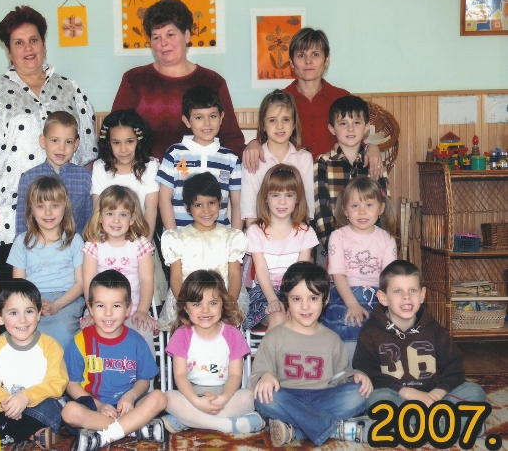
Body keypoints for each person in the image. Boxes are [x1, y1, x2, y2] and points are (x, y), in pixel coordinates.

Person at [0, 5, 96, 291]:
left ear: (44, 45)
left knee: (66, 293)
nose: (28, 48)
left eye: (33, 40)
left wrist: (84, 206)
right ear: (9, 51)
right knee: (15, 297)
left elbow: (86, 154)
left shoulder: (69, 89)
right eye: (18, 43)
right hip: (10, 212)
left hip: (64, 215)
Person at [353, 260, 487, 436]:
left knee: (475, 392)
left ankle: (414, 428)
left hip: (433, 399)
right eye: (398, 291)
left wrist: (437, 394)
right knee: (377, 399)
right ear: (383, 297)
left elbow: (455, 369)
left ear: (422, 295)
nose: (406, 297)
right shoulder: (371, 331)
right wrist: (408, 393)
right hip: (398, 398)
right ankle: (448, 426)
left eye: (413, 290)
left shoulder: (434, 329)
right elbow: (367, 372)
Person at [248, 262, 373, 447]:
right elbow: (254, 379)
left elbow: (340, 376)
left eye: (313, 298)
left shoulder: (332, 339)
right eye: (297, 299)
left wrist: (355, 375)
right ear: (286, 300)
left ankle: (295, 430)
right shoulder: (274, 336)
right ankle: (333, 428)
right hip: (287, 396)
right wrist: (265, 376)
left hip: (323, 397)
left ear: (325, 299)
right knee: (264, 398)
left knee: (360, 393)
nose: (305, 306)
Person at [112, 0, 244, 161]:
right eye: (156, 37)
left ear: (186, 35)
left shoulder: (213, 81)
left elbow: (232, 139)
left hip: (201, 172)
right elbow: (114, 132)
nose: (163, 43)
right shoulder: (134, 80)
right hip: (145, 172)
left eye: (170, 34)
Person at [242, 28, 382, 180]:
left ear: (326, 60)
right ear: (292, 62)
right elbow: (264, 139)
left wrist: (371, 148)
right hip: (293, 182)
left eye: (315, 54)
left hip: (333, 180)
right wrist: (253, 144)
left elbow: (354, 137)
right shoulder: (281, 100)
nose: (308, 61)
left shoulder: (341, 97)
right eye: (301, 55)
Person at [62, 270, 167, 451]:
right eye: (101, 306)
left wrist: (131, 396)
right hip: (94, 407)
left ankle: (104, 435)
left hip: (130, 406)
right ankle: (134, 428)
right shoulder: (79, 341)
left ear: (128, 309)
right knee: (69, 412)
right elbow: (71, 384)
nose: (108, 313)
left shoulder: (136, 341)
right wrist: (99, 405)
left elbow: (144, 380)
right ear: (90, 308)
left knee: (159, 397)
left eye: (116, 306)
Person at [162, 270, 265, 435]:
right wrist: (196, 402)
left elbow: (235, 376)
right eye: (197, 304)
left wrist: (223, 398)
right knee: (168, 398)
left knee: (248, 397)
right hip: (191, 394)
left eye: (213, 303)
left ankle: (186, 419)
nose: (205, 310)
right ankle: (226, 425)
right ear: (186, 308)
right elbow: (180, 376)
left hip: (225, 394)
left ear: (222, 305)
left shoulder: (233, 334)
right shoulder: (182, 335)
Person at [0, 279, 68, 450]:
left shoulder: (50, 346)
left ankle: (1, 431)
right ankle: (30, 433)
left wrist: (26, 397)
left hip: (35, 407)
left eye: (29, 311)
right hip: (4, 406)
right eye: (13, 313)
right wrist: (4, 401)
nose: (23, 320)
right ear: (0, 318)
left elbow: (57, 383)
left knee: (53, 407)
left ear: (39, 314)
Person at [158, 172, 248, 330]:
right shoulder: (177, 238)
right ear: (187, 207)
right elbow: (176, 277)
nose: (206, 210)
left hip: (224, 300)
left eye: (211, 203)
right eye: (198, 205)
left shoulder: (232, 237)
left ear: (220, 201)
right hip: (187, 302)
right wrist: (186, 305)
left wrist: (228, 304)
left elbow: (234, 275)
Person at [321, 176, 397, 363]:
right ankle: (348, 368)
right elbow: (337, 275)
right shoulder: (338, 236)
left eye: (369, 205)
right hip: (345, 293)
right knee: (349, 322)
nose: (362, 211)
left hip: (378, 295)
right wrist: (352, 304)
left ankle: (379, 368)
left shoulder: (387, 239)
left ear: (381, 209)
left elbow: (390, 279)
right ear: (345, 210)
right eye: (355, 206)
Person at [7, 176, 85, 349]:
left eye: (54, 206)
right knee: (22, 332)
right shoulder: (22, 242)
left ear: (65, 208)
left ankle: (62, 367)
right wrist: (34, 305)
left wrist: (57, 305)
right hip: (31, 300)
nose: (48, 212)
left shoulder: (74, 241)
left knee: (61, 331)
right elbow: (19, 285)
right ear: (31, 210)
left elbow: (81, 284)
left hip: (67, 300)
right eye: (40, 206)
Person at [81, 185, 156, 357]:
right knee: (89, 336)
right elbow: (88, 282)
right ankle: (96, 373)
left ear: (132, 219)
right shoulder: (93, 246)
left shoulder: (140, 245)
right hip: (100, 310)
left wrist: (142, 310)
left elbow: (146, 280)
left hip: (133, 309)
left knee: (143, 331)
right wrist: (92, 311)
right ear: (100, 217)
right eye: (110, 213)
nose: (116, 220)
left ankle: (147, 375)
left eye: (123, 214)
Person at [243, 165, 319, 332]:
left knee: (299, 318)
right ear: (265, 198)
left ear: (298, 198)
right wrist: (273, 300)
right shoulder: (255, 231)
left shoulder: (305, 232)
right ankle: (274, 350)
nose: (282, 202)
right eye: (275, 195)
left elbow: (300, 273)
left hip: (297, 292)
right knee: (279, 318)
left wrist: (293, 301)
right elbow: (261, 270)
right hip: (265, 293)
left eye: (289, 195)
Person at [157, 85, 243, 230]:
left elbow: (237, 204)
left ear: (221, 117)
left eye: (213, 116)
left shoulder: (231, 159)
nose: (207, 123)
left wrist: (236, 236)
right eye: (199, 117)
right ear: (187, 121)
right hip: (181, 237)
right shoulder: (174, 154)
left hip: (220, 238)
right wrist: (173, 235)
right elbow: (164, 199)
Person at [314, 95, 390, 253]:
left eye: (357, 122)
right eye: (343, 123)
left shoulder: (375, 161)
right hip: (332, 247)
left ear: (367, 126)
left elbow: (383, 205)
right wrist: (333, 247)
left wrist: (376, 244)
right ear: (332, 128)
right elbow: (321, 210)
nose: (350, 129)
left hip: (372, 246)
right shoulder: (323, 162)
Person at [240, 90, 314, 227]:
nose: (280, 126)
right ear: (263, 125)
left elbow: (307, 208)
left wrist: (297, 237)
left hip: (296, 233)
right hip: (261, 234)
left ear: (294, 124)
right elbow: (249, 211)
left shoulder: (304, 159)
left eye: (286, 119)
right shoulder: (252, 158)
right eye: (272, 120)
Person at [15, 111, 93, 237]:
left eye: (68, 142)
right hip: (38, 247)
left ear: (76, 145)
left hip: (75, 246)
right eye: (55, 140)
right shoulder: (28, 178)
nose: (61, 148)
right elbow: (22, 224)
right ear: (43, 141)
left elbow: (91, 222)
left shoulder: (86, 178)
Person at [91, 109, 159, 241]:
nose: (123, 149)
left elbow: (151, 209)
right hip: (108, 238)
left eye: (129, 141)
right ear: (108, 143)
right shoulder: (100, 167)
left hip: (140, 237)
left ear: (139, 140)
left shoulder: (150, 166)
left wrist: (145, 245)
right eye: (116, 142)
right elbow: (97, 210)